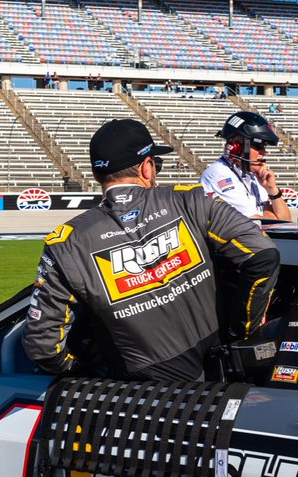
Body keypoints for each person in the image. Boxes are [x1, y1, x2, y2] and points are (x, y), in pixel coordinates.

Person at [22, 118, 280, 382]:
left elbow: (44, 347)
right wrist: (242, 332)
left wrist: (84, 368)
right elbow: (262, 255)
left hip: (141, 396)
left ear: (97, 174)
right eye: (156, 163)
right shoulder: (192, 200)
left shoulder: (66, 243)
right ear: (146, 167)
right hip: (218, 380)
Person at [200, 111, 291, 222]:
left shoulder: (255, 176)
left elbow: (285, 221)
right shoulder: (219, 175)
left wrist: (272, 190)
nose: (264, 152)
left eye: (264, 146)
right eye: (258, 145)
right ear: (236, 147)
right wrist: (270, 214)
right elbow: (258, 224)